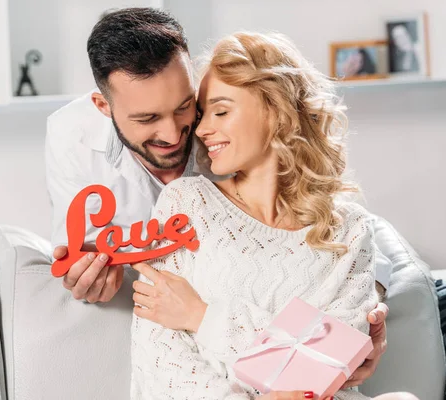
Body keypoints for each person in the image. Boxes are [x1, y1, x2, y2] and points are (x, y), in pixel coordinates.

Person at [45, 7, 391, 389]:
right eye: (147, 119)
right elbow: (159, 351)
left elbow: (326, 357)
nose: (181, 134)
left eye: (185, 109)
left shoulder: (346, 224)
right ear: (103, 107)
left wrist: (360, 328)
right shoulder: (77, 143)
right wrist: (89, 279)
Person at [130, 31, 418, 400]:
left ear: (276, 110)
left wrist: (203, 317)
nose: (201, 130)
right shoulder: (185, 204)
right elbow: (159, 355)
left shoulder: (349, 228)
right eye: (202, 115)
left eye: (220, 111)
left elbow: (323, 368)